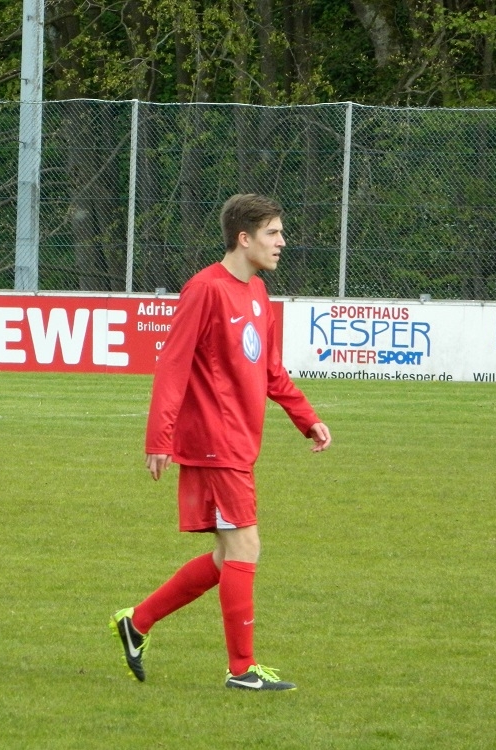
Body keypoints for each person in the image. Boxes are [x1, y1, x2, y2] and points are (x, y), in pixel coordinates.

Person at [110, 193, 332, 691]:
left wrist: (307, 418)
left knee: (226, 557)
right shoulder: (205, 289)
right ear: (244, 238)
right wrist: (159, 438)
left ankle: (137, 622)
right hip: (214, 441)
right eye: (273, 232)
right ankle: (242, 671)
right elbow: (173, 364)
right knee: (245, 546)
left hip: (238, 442)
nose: (282, 242)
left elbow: (270, 370)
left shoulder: (258, 294)